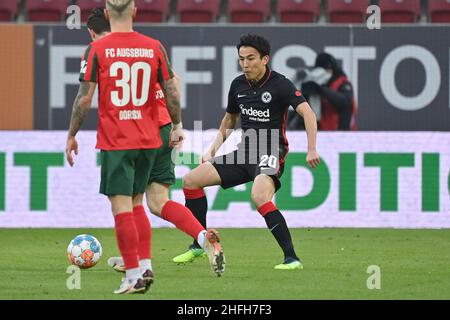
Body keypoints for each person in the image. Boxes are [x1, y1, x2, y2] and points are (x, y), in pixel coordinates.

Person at [65, 1, 224, 295]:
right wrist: (177, 125)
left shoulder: (98, 50)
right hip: (157, 130)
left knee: (128, 204)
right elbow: (173, 84)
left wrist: (71, 134)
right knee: (155, 202)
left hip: (120, 137)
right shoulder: (152, 46)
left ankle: (137, 270)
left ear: (93, 28)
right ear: (135, 12)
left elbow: (84, 99)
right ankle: (199, 237)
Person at [173, 34, 320, 270]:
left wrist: (312, 147)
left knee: (259, 196)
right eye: (241, 59)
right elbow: (230, 119)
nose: (245, 64)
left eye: (250, 58)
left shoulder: (280, 84)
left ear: (265, 59)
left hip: (271, 148)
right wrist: (213, 149)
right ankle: (198, 245)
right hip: (245, 151)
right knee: (191, 180)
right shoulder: (238, 85)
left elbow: (308, 113)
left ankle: (292, 258)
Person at [301, 52, 357, 130]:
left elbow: (344, 101)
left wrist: (320, 89)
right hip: (323, 134)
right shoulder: (318, 84)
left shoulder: (343, 83)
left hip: (342, 133)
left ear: (332, 69)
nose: (322, 74)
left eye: (326, 70)